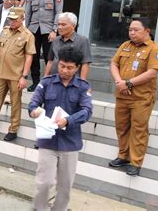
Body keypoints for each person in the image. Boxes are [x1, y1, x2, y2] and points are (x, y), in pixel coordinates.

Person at [28, 46, 93, 210]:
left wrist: (69, 120)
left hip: (70, 143)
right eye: (62, 66)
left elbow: (87, 111)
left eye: (70, 67)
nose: (65, 70)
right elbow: (33, 103)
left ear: (77, 67)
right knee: (44, 182)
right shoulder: (47, 83)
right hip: (47, 141)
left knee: (65, 187)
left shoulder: (83, 87)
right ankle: (39, 208)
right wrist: (34, 111)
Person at [109, 19, 158, 176]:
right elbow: (113, 64)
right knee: (122, 126)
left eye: (136, 30)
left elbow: (153, 72)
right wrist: (119, 81)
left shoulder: (155, 49)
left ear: (147, 31)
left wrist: (129, 83)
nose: (132, 32)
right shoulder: (125, 45)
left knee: (138, 129)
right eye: (130, 29)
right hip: (122, 95)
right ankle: (123, 156)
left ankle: (135, 162)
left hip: (141, 98)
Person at [0, 7, 35, 141]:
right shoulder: (5, 31)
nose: (12, 21)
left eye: (15, 19)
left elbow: (29, 57)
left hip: (16, 75)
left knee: (15, 102)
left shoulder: (28, 35)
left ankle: (13, 129)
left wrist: (24, 76)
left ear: (22, 19)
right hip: (1, 72)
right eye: (10, 19)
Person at [25, 0, 63, 92]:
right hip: (33, 30)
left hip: (48, 30)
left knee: (49, 57)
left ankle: (48, 83)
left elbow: (58, 13)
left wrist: (54, 30)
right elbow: (28, 14)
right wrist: (26, 31)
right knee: (33, 57)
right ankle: (35, 82)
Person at [44, 12, 92, 79]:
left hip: (73, 82)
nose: (60, 27)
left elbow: (85, 63)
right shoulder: (55, 40)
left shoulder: (82, 41)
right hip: (54, 80)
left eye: (63, 25)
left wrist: (82, 82)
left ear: (73, 26)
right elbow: (50, 61)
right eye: (59, 24)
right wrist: (45, 78)